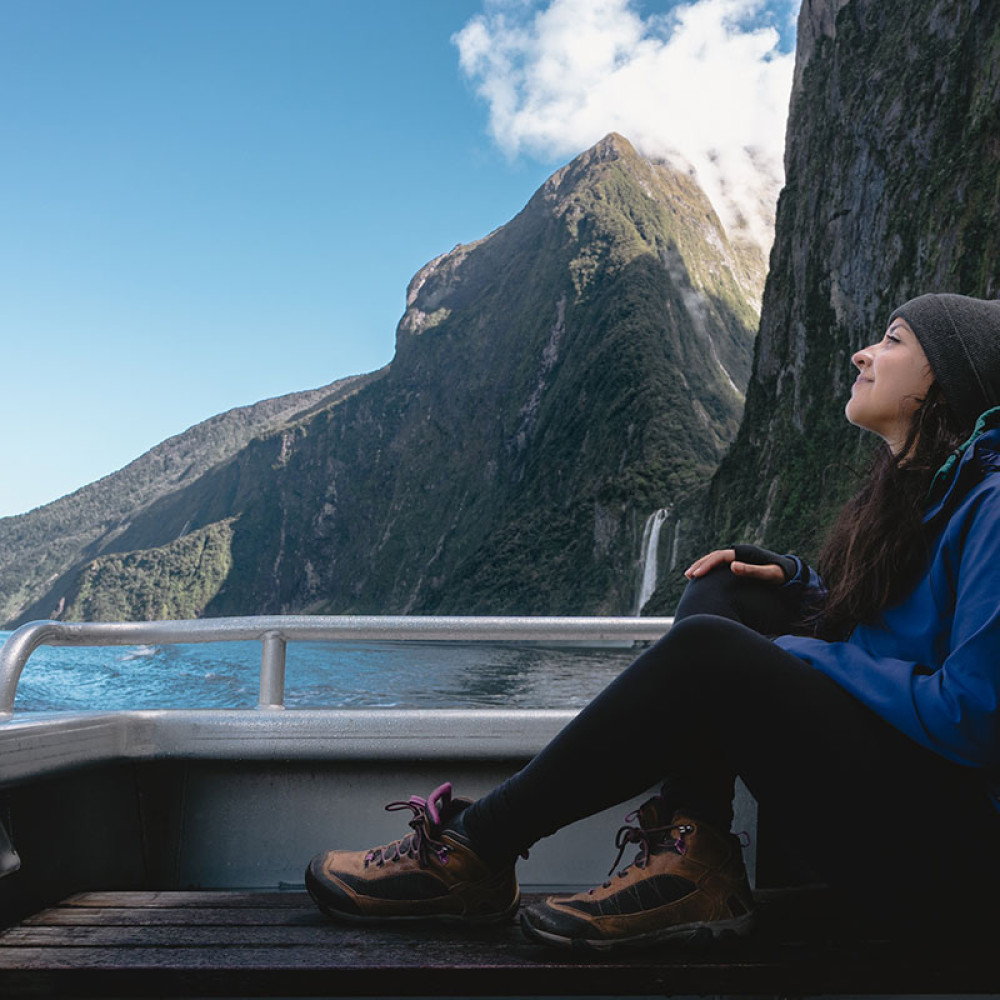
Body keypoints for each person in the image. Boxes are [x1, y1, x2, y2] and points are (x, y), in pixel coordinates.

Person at [306, 293, 1000, 952]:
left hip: (949, 867)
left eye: (893, 340)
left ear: (948, 380)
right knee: (725, 585)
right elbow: (900, 630)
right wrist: (797, 582)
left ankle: (473, 849)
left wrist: (799, 656)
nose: (862, 354)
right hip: (896, 797)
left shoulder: (994, 503)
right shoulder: (925, 494)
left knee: (711, 652)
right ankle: (694, 851)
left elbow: (975, 713)